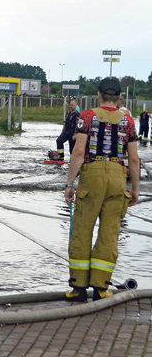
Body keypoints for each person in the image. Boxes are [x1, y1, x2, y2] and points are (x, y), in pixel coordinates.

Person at [64, 77, 139, 302]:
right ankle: (101, 287)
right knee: (109, 233)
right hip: (118, 175)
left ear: (98, 94)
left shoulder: (87, 116)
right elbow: (134, 159)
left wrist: (69, 184)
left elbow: (78, 152)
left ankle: (78, 288)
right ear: (118, 97)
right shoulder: (129, 120)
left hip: (92, 175)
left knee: (82, 230)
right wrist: (135, 189)